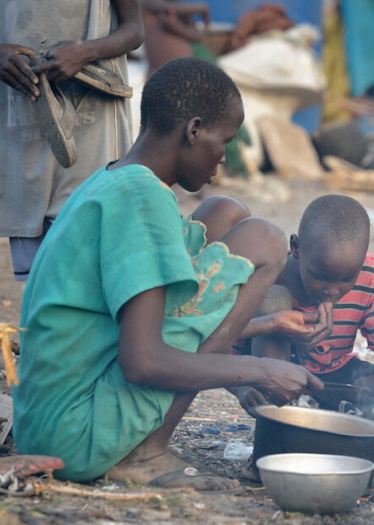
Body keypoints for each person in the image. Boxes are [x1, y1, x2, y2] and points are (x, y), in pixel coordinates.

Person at [12, 57, 326, 490]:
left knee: (224, 213)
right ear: (193, 130)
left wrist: (265, 325)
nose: (223, 156)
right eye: (225, 140)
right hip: (75, 435)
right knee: (265, 242)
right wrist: (260, 370)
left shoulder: (119, 179)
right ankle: (145, 453)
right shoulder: (143, 201)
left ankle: (142, 443)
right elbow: (142, 361)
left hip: (45, 421)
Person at [232, 195, 374, 467]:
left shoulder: (368, 279)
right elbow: (226, 344)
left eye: (346, 279)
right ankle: (269, 452)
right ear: (296, 248)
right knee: (275, 299)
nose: (332, 290)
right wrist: (242, 387)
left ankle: (333, 429)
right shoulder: (271, 276)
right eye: (320, 276)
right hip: (276, 380)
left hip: (332, 377)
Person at [0, 0, 144, 281]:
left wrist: (84, 52)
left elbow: (134, 30)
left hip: (92, 125)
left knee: (88, 256)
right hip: (21, 124)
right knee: (39, 278)